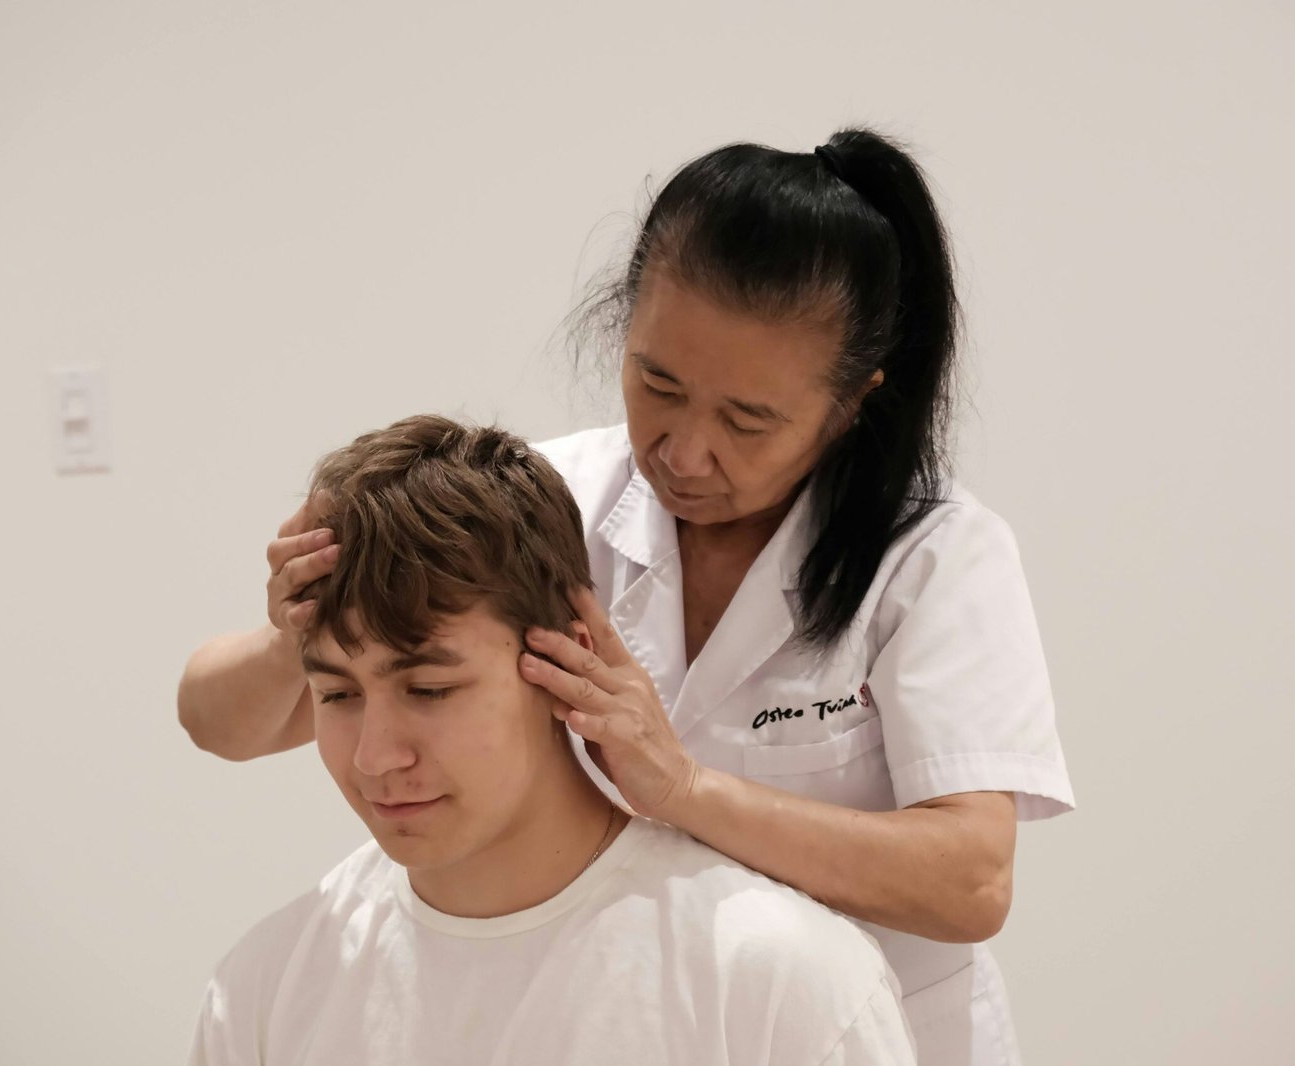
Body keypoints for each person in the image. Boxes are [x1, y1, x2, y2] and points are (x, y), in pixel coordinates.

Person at [179, 127, 1074, 1065]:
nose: (684, 453)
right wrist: (305, 630)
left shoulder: (934, 558)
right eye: (657, 384)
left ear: (853, 403)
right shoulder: (556, 499)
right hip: (608, 1005)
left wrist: (686, 790)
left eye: (748, 419)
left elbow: (971, 882)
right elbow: (223, 717)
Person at [189, 415, 918, 1065]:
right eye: (339, 695)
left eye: (430, 690)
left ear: (565, 664)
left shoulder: (777, 985)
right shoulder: (266, 992)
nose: (375, 757)